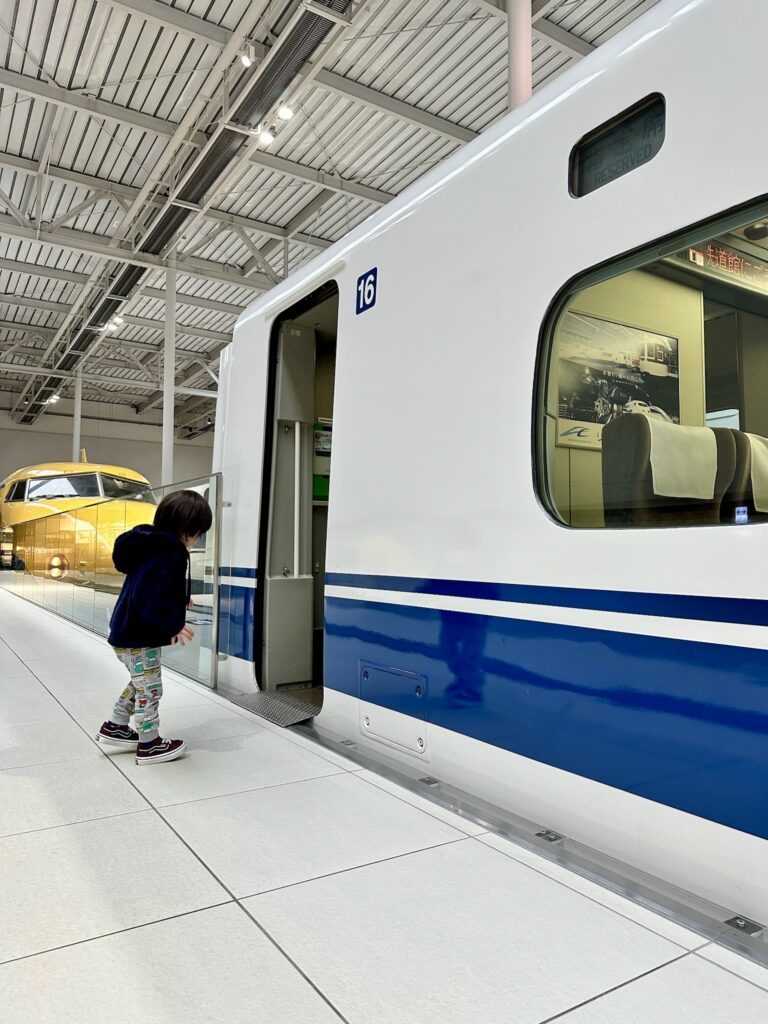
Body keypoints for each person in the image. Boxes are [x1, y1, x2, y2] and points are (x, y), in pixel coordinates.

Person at [96, 489, 212, 765]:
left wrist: (181, 600)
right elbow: (150, 597)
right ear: (186, 528)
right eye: (197, 533)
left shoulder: (150, 544)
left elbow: (156, 586)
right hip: (139, 636)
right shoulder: (170, 552)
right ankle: (149, 744)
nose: (197, 539)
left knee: (140, 683)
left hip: (125, 632)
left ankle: (116, 725)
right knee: (151, 689)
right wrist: (173, 625)